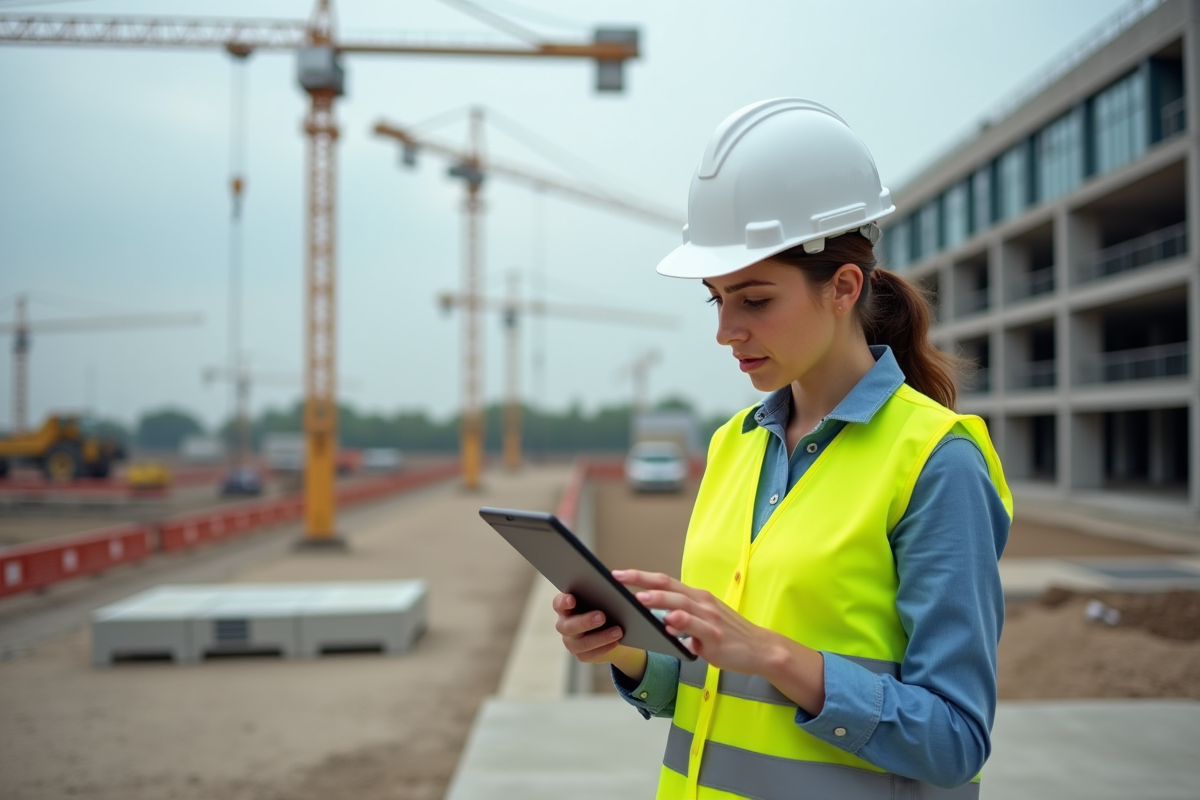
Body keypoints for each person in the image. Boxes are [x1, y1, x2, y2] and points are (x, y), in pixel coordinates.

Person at [552, 98, 1013, 800]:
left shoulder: (936, 461)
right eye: (716, 300)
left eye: (755, 300)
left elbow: (954, 739)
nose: (726, 331)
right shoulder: (733, 447)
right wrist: (628, 652)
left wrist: (774, 654)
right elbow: (714, 690)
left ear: (844, 288)